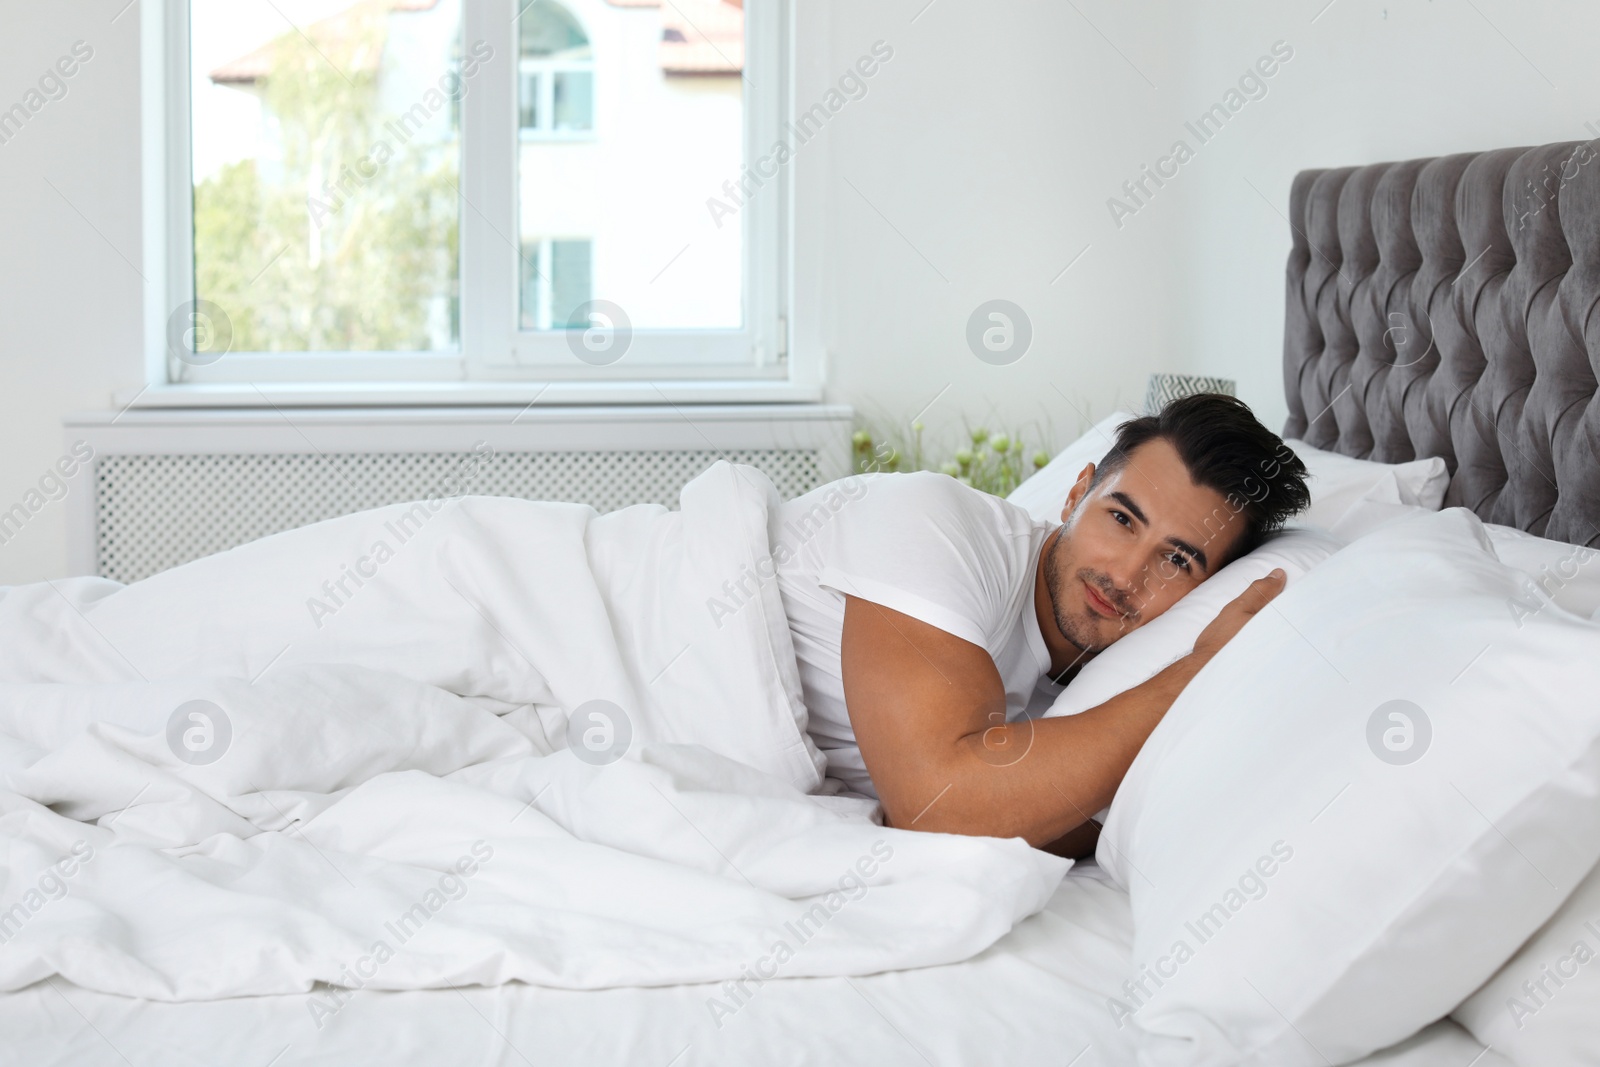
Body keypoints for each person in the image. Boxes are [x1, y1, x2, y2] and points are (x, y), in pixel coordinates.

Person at [772, 393, 1311, 857]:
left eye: (1176, 561)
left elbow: (1015, 821)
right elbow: (937, 812)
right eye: (1121, 519)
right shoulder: (937, 526)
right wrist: (1197, 668)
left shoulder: (1095, 689)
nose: (1124, 576)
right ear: (1077, 494)